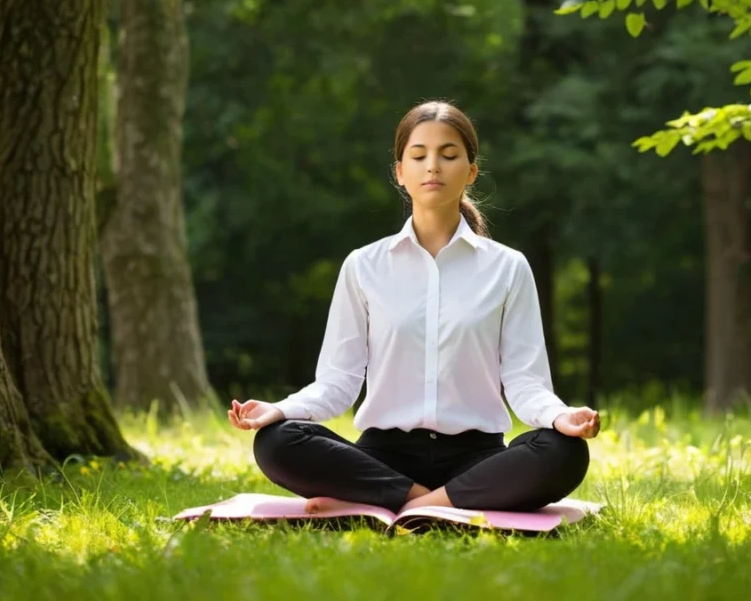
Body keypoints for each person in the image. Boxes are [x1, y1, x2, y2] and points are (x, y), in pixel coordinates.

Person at [227, 100, 600, 515]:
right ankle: (432, 503)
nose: (433, 167)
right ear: (400, 173)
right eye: (419, 156)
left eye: (449, 155)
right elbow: (338, 381)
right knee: (277, 441)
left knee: (564, 451)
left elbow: (525, 382)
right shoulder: (363, 265)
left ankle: (409, 504)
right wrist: (281, 410)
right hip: (382, 458)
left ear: (471, 172)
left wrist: (560, 415)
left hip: (477, 459)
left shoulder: (508, 268)